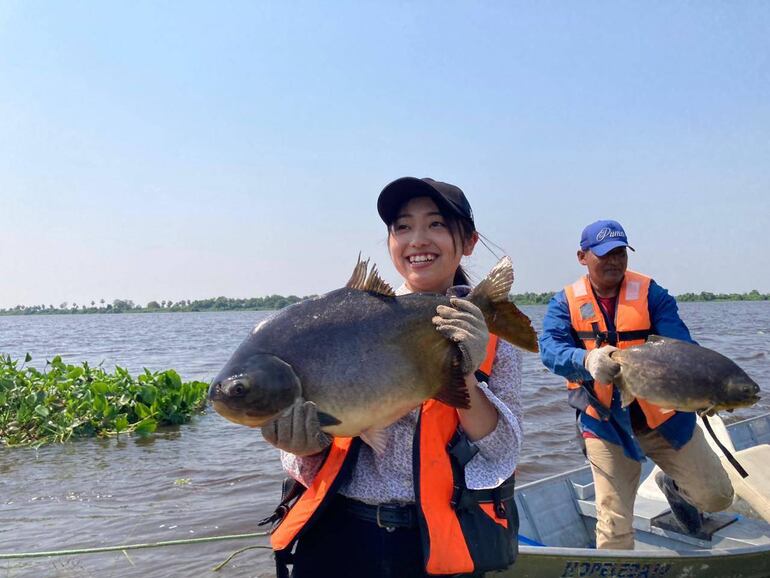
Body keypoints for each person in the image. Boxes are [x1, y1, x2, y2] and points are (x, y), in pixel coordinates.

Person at [260, 177, 523, 577]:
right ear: (389, 242)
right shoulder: (350, 319)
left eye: (436, 224)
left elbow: (501, 452)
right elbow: (315, 451)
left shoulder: (492, 333)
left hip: (434, 541)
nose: (417, 239)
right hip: (339, 533)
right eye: (402, 227)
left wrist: (465, 375)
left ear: (468, 241)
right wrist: (300, 445)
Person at [539, 219, 734, 550]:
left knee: (717, 497)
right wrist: (585, 360)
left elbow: (682, 346)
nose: (614, 260)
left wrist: (703, 386)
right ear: (582, 256)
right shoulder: (565, 303)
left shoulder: (652, 295)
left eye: (620, 253)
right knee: (613, 528)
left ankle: (673, 486)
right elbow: (549, 349)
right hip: (606, 425)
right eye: (604, 254)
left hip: (666, 419)